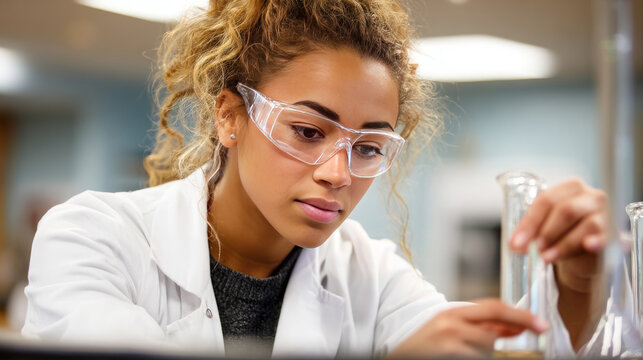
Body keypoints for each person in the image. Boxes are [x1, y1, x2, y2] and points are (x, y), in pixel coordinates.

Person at [22, 0, 609, 358]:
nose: (337, 174)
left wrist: (578, 281)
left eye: (369, 147)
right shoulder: (92, 237)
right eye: (307, 131)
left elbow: (511, 356)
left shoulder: (367, 273)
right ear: (230, 116)